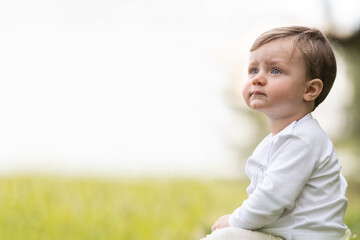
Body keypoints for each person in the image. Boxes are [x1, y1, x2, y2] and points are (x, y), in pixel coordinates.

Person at [201, 26, 350, 240]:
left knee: (224, 237)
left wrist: (234, 220)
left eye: (275, 70)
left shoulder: (303, 139)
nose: (258, 79)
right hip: (286, 234)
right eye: (253, 70)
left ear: (310, 90)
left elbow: (271, 198)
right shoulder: (279, 140)